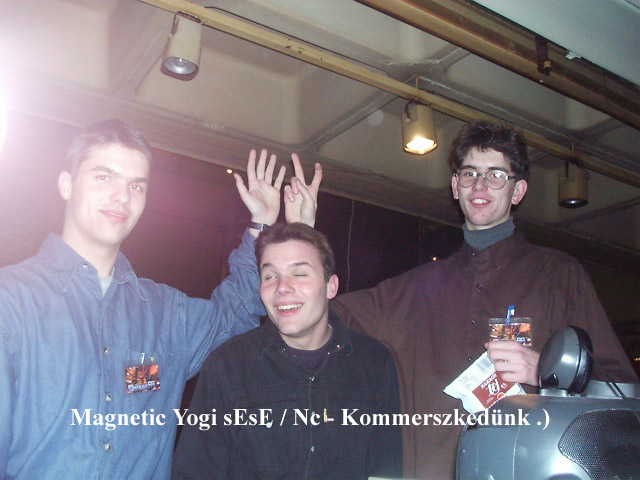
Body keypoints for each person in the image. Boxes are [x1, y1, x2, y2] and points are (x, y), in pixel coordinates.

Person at [330, 121, 638, 479]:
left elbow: (622, 393)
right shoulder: (414, 289)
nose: (479, 185)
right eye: (469, 173)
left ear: (518, 191)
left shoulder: (559, 276)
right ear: (455, 186)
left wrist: (547, 373)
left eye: (495, 175)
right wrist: (303, 237)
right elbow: (324, 315)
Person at [0, 119, 302, 479]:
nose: (122, 196)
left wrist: (261, 223)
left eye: (136, 185)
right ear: (66, 184)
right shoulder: (11, 302)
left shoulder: (164, 313)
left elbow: (232, 314)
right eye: (104, 177)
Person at [171, 223, 402, 480]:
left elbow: (387, 469)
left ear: (331, 286)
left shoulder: (375, 362)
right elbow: (194, 472)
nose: (282, 287)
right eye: (270, 276)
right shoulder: (227, 366)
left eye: (299, 274)